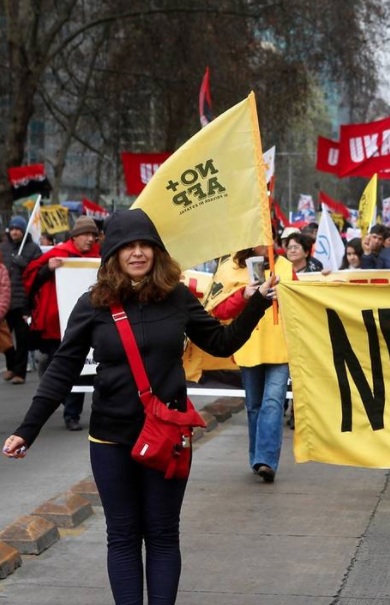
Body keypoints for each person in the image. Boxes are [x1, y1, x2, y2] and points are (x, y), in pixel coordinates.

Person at [3, 209, 275, 605]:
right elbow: (61, 370)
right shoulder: (93, 303)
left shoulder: (178, 296)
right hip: (111, 439)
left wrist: (257, 304)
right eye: (128, 246)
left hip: (167, 439)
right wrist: (27, 429)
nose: (137, 253)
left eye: (145, 245)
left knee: (163, 534)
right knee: (123, 535)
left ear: (157, 251)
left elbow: (220, 344)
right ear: (112, 253)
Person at [211, 247, 293, 482]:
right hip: (247, 345)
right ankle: (257, 458)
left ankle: (266, 460)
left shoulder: (285, 266)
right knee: (254, 405)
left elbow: (301, 305)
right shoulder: (230, 268)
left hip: (280, 346)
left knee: (273, 402)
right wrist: (244, 295)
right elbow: (218, 309)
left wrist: (286, 296)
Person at [23, 216, 101, 431]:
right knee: (64, 367)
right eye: (86, 235)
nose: (90, 239)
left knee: (84, 369)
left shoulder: (99, 258)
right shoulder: (57, 255)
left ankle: (72, 415)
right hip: (56, 323)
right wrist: (47, 269)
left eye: (93, 235)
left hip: (88, 323)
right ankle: (64, 401)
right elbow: (31, 280)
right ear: (74, 236)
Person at [1, 215, 42, 384]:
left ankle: (20, 372)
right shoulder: (3, 248)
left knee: (22, 339)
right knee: (5, 338)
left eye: (18, 229)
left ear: (24, 231)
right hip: (5, 301)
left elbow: (40, 272)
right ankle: (11, 366)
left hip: (24, 302)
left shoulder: (33, 249)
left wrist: (24, 263)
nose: (15, 232)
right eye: (12, 229)